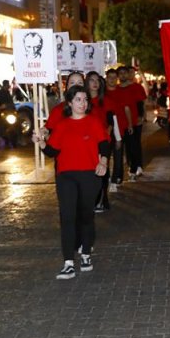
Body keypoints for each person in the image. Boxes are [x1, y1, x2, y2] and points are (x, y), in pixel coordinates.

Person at [32, 83, 110, 280]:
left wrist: (103, 162)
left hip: (89, 176)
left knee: (86, 216)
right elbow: (52, 152)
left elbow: (104, 145)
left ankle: (85, 255)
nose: (82, 103)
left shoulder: (93, 122)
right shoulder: (63, 124)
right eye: (78, 100)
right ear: (69, 103)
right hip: (66, 176)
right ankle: (68, 262)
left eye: (85, 100)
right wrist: (41, 142)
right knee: (67, 217)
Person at [86, 71, 112, 213]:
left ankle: (102, 199)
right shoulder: (83, 101)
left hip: (102, 140)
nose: (95, 83)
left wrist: (108, 136)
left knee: (103, 170)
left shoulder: (104, 100)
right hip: (87, 142)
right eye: (91, 80)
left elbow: (110, 121)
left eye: (97, 80)